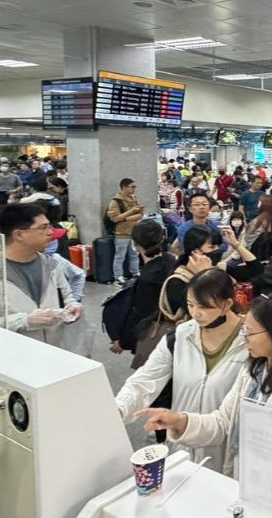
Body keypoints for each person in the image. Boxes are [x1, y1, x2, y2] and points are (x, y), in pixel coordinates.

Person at [136, 293, 272, 515]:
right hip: (250, 490)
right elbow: (223, 422)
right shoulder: (253, 371)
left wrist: (265, 506)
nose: (244, 337)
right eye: (244, 330)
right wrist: (179, 420)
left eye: (250, 332)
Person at [116, 269, 248, 466]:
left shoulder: (250, 342)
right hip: (182, 448)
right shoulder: (180, 337)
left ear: (227, 304)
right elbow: (144, 381)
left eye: (204, 307)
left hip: (226, 453)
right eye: (190, 304)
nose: (195, 313)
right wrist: (119, 408)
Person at [0, 204, 84, 349]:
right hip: (9, 354)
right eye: (43, 228)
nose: (50, 232)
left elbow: (66, 296)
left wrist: (72, 306)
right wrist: (24, 321)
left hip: (53, 350)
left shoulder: (51, 264)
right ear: (19, 235)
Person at [112, 221, 176, 367]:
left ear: (135, 244)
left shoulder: (147, 279)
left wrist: (123, 342)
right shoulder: (171, 261)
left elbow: (141, 316)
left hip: (153, 335)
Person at [106, 178, 145, 283]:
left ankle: (135, 272)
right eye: (132, 187)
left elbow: (141, 214)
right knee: (120, 256)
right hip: (121, 234)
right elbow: (114, 218)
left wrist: (127, 218)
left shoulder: (134, 199)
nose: (134, 189)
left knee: (134, 254)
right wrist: (131, 212)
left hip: (134, 231)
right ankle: (118, 276)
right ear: (124, 187)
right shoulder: (115, 201)